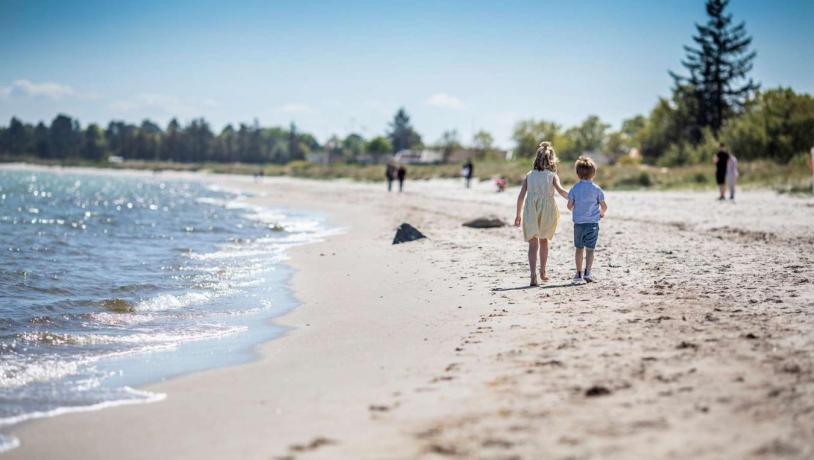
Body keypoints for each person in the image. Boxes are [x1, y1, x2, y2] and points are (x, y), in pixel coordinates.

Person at [514, 141, 569, 286]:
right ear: (552, 160)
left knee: (533, 244)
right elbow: (562, 191)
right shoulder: (552, 176)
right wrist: (575, 197)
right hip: (547, 211)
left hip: (531, 210)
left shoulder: (529, 175)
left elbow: (521, 196)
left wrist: (518, 215)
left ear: (536, 159)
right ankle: (543, 271)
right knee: (544, 241)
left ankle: (533, 275)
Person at [567, 155, 608, 284]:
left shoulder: (574, 188)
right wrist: (601, 213)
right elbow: (604, 206)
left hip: (579, 224)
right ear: (593, 173)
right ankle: (588, 273)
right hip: (592, 224)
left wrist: (574, 208)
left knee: (579, 248)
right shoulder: (596, 189)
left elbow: (569, 205)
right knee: (590, 249)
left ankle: (578, 274)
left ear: (577, 174)